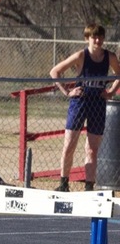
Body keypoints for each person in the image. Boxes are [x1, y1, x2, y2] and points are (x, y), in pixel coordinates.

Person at [50, 23, 120, 192]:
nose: (97, 40)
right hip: (80, 102)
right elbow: (55, 72)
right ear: (87, 38)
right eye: (94, 37)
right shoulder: (81, 55)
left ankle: (89, 186)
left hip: (98, 103)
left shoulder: (109, 57)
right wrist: (67, 92)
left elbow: (119, 73)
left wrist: (111, 92)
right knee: (69, 145)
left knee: (92, 149)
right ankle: (63, 183)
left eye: (100, 37)